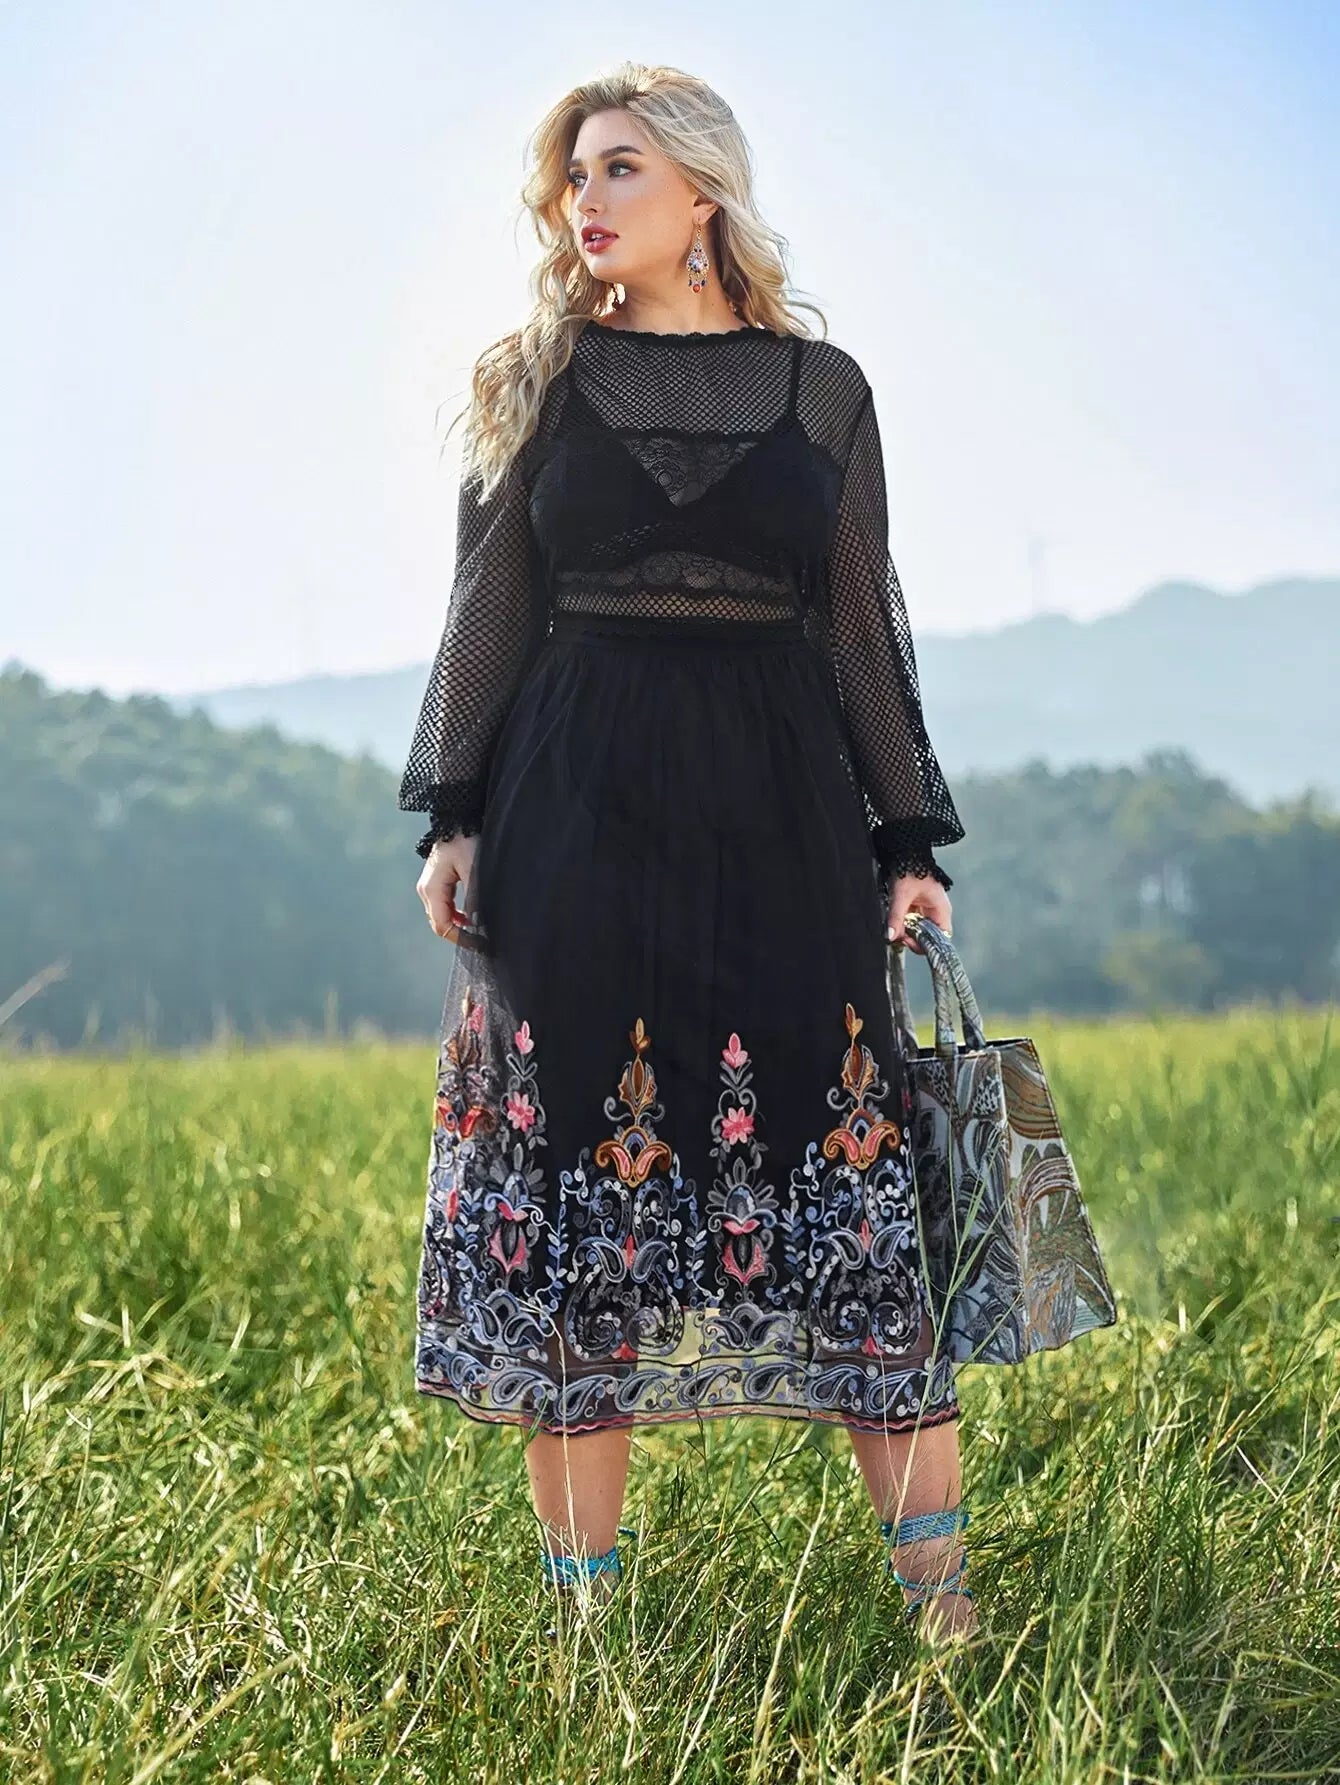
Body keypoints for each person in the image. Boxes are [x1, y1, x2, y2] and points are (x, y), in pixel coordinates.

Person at [399, 62, 978, 1645]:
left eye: (620, 168)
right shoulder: (533, 376)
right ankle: (590, 1652)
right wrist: (455, 816)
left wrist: (908, 836)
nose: (583, 200)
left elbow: (860, 626)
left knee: (858, 1212)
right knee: (573, 1211)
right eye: (574, 174)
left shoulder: (822, 390)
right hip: (571, 821)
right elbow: (488, 611)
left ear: (702, 192)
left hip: (787, 823)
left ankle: (949, 1630)